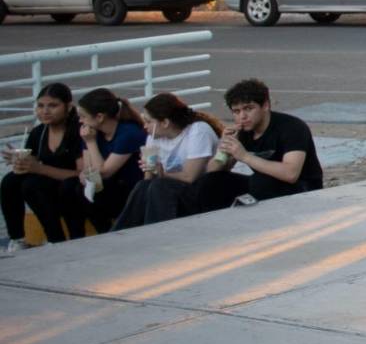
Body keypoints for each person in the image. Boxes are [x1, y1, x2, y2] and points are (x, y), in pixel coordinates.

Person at [196, 79, 323, 211]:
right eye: (236, 111)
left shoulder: (292, 127)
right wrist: (223, 149)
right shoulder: (244, 131)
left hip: (304, 189)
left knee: (260, 181)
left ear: (266, 105)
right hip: (265, 185)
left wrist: (244, 156)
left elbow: (291, 174)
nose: (242, 116)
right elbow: (213, 171)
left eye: (248, 109)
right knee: (211, 182)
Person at [113, 94, 221, 229]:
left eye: (149, 121)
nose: (145, 126)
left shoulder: (197, 131)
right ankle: (118, 233)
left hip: (200, 190)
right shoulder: (154, 137)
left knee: (160, 185)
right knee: (143, 186)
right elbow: (148, 180)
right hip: (170, 191)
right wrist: (150, 169)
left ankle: (155, 235)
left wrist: (163, 173)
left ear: (165, 122)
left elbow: (190, 177)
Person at [1, 82, 83, 253]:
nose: (45, 111)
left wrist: (38, 168)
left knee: (32, 185)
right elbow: (32, 164)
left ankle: (56, 239)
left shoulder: (78, 131)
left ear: (68, 107)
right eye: (40, 106)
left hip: (73, 187)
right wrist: (20, 162)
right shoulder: (39, 132)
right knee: (10, 181)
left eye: (53, 105)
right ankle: (17, 239)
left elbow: (81, 173)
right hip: (48, 183)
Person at [73, 88, 147, 236]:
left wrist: (91, 142)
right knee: (72, 187)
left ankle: (108, 233)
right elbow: (90, 170)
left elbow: (104, 173)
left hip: (132, 190)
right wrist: (84, 174)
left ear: (99, 117)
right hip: (112, 187)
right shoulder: (93, 132)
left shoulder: (128, 133)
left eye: (83, 116)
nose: (80, 121)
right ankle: (97, 232)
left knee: (95, 190)